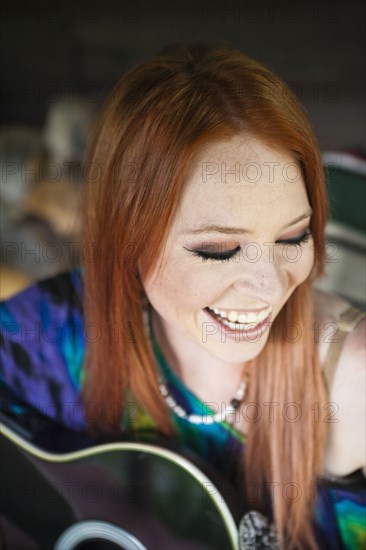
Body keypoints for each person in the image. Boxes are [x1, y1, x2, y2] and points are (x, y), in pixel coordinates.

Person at [0, 42, 365, 550]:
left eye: (293, 237)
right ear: (126, 242)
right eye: (219, 249)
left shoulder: (352, 380)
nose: (271, 285)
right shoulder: (60, 328)